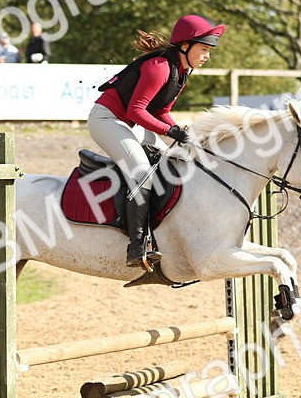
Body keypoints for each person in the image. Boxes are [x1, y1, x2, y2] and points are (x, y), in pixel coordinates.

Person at [90, 14, 225, 267]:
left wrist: (181, 132)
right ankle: (137, 245)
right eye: (204, 49)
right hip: (107, 120)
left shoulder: (181, 71)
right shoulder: (159, 67)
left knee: (174, 161)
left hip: (130, 125)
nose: (207, 55)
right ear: (185, 46)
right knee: (142, 171)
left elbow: (161, 111)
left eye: (209, 50)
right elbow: (136, 111)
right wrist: (170, 131)